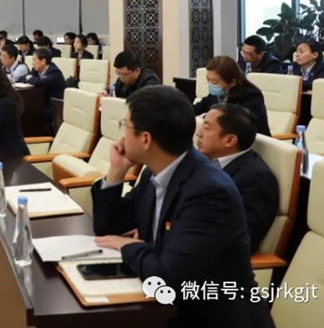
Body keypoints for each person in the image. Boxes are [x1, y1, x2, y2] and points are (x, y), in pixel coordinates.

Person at [92, 86, 272, 328]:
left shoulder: (208, 191)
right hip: (167, 307)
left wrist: (130, 247)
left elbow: (169, 279)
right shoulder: (154, 172)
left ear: (146, 139)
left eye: (126, 126)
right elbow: (107, 228)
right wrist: (116, 171)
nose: (122, 136)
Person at [196, 104, 279, 254]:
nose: (198, 133)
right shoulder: (205, 162)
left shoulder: (256, 179)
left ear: (229, 140)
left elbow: (242, 240)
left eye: (206, 128)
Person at [194, 56, 271, 136]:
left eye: (214, 82)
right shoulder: (216, 94)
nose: (210, 85)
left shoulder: (251, 96)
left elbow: (242, 126)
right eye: (208, 80)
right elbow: (199, 107)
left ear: (232, 82)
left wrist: (207, 117)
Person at [26, 48, 65, 130]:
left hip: (54, 106)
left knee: (31, 113)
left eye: (34, 60)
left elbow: (39, 82)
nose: (32, 63)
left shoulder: (55, 72)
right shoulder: (36, 70)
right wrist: (30, 78)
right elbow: (23, 78)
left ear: (43, 61)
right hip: (41, 102)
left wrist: (30, 78)